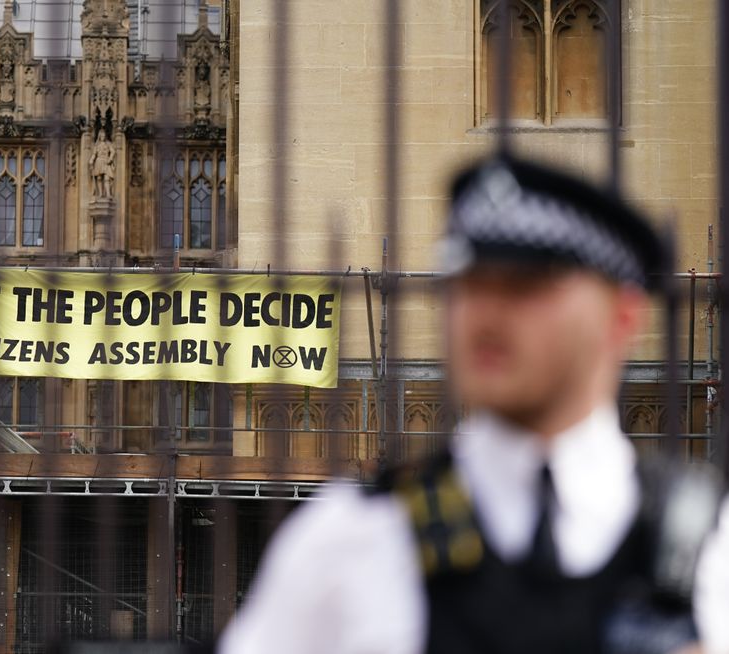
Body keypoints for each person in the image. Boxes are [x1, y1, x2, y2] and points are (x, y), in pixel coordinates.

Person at [219, 154, 729, 654]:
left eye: (525, 286)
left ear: (621, 318)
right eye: (468, 284)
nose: (484, 314)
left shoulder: (710, 553)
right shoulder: (350, 540)